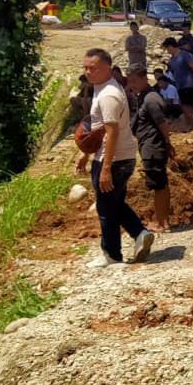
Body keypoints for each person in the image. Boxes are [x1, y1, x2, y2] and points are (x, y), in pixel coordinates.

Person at [75, 48, 155, 267]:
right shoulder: (102, 89)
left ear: (107, 68)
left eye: (94, 68)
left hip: (115, 159)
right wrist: (85, 154)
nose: (88, 72)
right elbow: (98, 129)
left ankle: (112, 255)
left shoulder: (109, 95)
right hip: (121, 156)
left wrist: (106, 168)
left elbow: (112, 132)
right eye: (86, 68)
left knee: (106, 208)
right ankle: (140, 234)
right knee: (114, 202)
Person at [127, 65, 175, 231]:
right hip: (150, 147)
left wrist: (168, 144)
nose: (131, 84)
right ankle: (163, 220)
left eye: (134, 81)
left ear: (143, 79)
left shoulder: (151, 99)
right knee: (161, 184)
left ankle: (162, 223)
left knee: (159, 186)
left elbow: (162, 123)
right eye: (129, 81)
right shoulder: (143, 97)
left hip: (153, 148)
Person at [163, 37, 193, 129]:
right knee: (184, 107)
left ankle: (191, 126)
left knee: (187, 107)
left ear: (171, 46)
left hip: (189, 84)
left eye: (167, 49)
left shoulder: (184, 55)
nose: (167, 51)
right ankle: (190, 125)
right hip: (180, 86)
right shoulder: (172, 60)